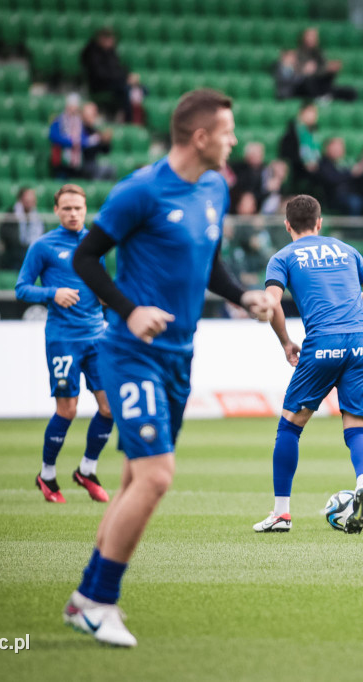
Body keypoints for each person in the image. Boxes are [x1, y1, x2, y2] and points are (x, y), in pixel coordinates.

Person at [66, 89, 273, 647]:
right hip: (131, 353)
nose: (235, 140)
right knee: (157, 477)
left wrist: (240, 295)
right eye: (228, 132)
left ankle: (85, 597)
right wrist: (129, 311)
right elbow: (85, 257)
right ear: (200, 136)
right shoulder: (141, 190)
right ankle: (101, 601)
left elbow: (205, 259)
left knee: (138, 476)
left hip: (181, 354)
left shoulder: (214, 187)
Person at [253, 195, 363, 533]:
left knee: (290, 427)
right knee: (357, 427)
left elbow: (272, 303)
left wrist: (286, 341)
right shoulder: (345, 250)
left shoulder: (282, 257)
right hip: (362, 343)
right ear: (320, 222)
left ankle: (281, 513)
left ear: (287, 225)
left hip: (323, 343)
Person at [15, 184, 113, 505]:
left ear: (86, 211)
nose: (73, 214)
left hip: (97, 335)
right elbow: (21, 289)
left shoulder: (94, 244)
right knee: (67, 410)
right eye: (67, 208)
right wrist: (52, 294)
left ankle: (87, 469)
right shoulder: (43, 247)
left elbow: (101, 284)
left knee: (109, 407)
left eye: (79, 209)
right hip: (63, 339)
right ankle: (47, 475)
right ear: (56, 211)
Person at [80, 27, 144, 124]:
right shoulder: (92, 53)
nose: (111, 41)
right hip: (101, 86)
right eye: (108, 38)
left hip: (115, 83)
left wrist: (128, 76)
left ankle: (137, 119)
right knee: (126, 89)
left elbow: (118, 69)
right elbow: (101, 75)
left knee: (142, 89)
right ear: (101, 39)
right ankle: (129, 121)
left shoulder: (111, 52)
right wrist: (124, 79)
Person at [278, 101, 321, 194]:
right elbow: (286, 153)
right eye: (311, 112)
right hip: (297, 167)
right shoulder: (292, 132)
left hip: (313, 167)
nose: (314, 115)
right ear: (302, 112)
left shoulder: (313, 132)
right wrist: (305, 163)